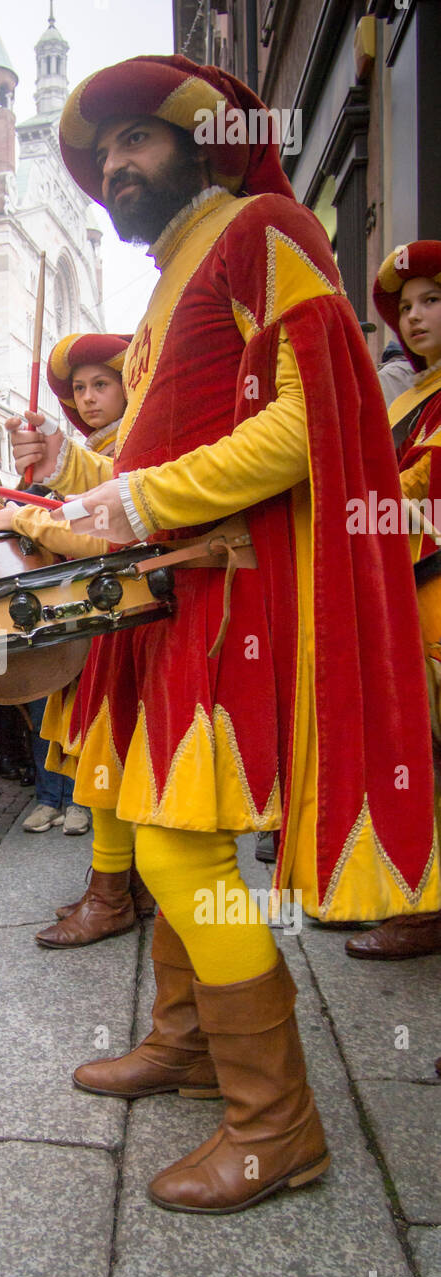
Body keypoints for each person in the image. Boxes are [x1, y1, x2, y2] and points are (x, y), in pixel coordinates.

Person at [5, 55, 439, 1215]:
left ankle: (276, 1121)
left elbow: (311, 423)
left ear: (203, 139)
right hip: (172, 592)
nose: (116, 164)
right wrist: (77, 471)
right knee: (156, 839)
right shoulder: (164, 285)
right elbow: (150, 463)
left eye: (138, 140)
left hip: (228, 597)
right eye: (105, 154)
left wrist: (132, 503)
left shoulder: (265, 226)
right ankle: (189, 1041)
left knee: (182, 848)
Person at [0, 336, 154, 932]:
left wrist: (27, 517)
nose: (88, 398)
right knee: (105, 755)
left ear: (128, 386)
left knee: (110, 754)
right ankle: (120, 885)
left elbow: (104, 535)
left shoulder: (138, 450)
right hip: (104, 623)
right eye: (79, 389)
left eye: (101, 384)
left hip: (131, 624)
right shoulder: (96, 452)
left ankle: (113, 894)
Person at [345, 241, 441, 962]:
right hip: (409, 589)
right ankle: (420, 901)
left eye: (430, 300)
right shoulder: (410, 393)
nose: (413, 316)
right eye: (405, 307)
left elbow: (413, 488)